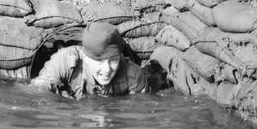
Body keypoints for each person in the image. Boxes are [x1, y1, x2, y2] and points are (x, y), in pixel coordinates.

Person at [31, 22, 161, 98]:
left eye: (113, 60)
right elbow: (38, 93)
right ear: (85, 57)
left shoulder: (133, 74)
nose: (107, 69)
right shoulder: (64, 60)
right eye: (99, 61)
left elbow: (141, 114)